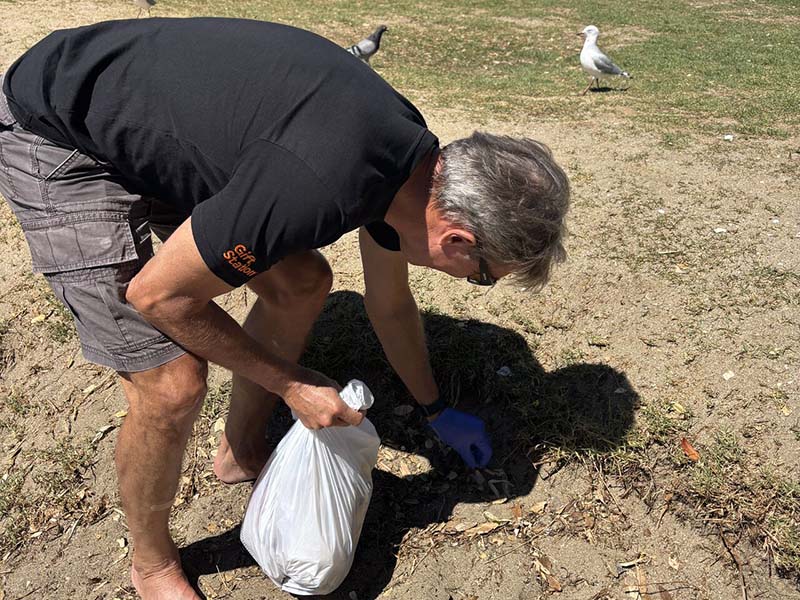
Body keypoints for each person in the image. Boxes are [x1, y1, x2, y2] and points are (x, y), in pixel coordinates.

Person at [0, 17, 569, 600]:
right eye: (481, 279)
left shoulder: (414, 174)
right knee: (171, 384)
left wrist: (434, 408)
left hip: (164, 131)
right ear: (457, 242)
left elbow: (391, 305)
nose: (475, 284)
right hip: (60, 128)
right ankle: (150, 564)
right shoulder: (322, 181)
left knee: (302, 283)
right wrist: (292, 384)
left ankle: (240, 450)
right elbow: (157, 297)